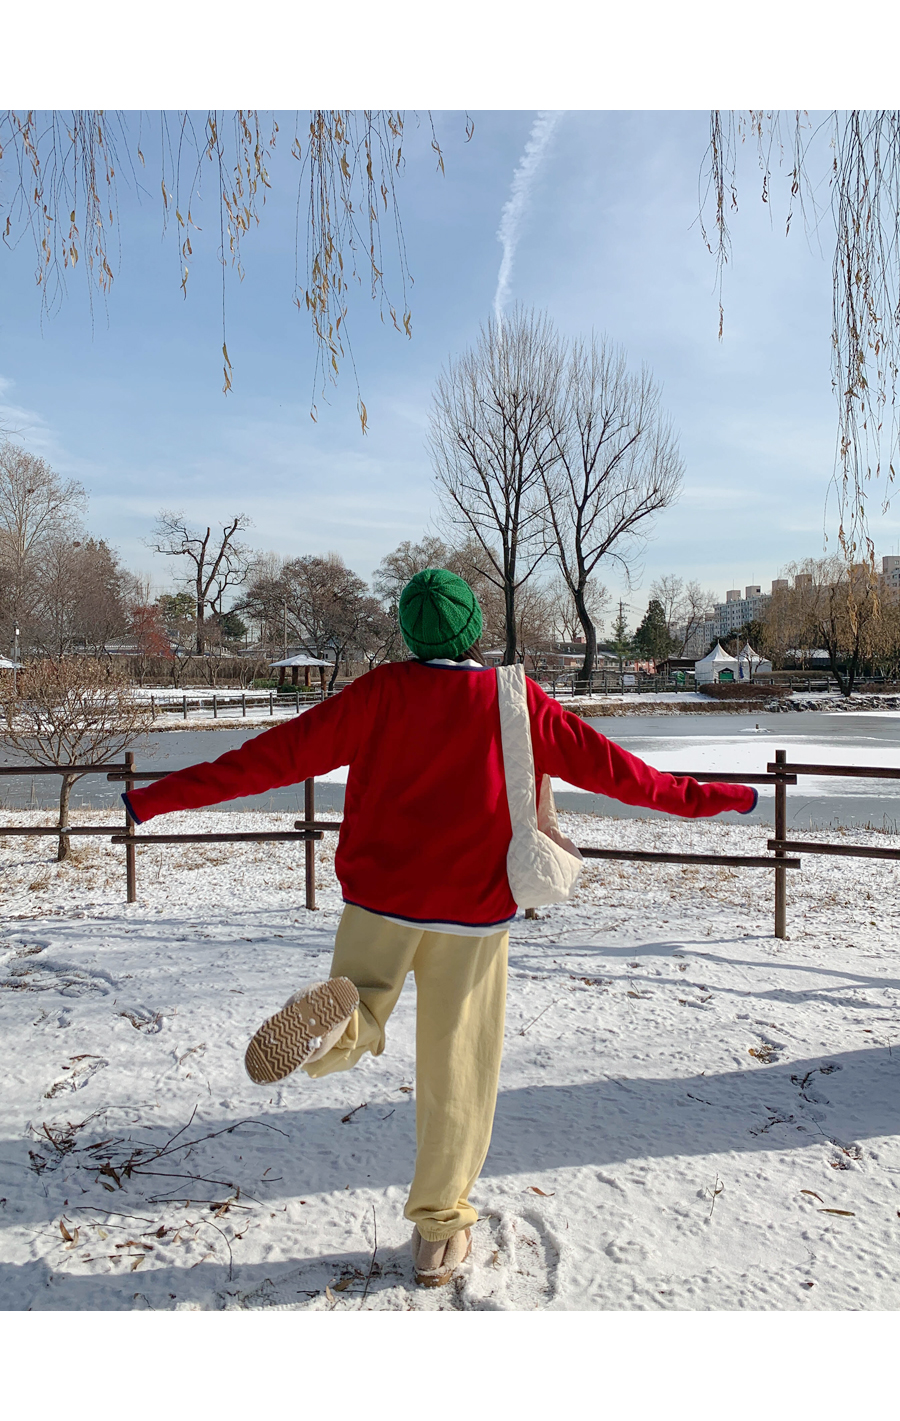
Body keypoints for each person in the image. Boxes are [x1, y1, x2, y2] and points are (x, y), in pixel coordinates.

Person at [121, 569, 758, 1287]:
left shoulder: (377, 693)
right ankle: (438, 1230)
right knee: (458, 1069)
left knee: (363, 1000)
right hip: (473, 913)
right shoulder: (516, 700)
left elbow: (267, 758)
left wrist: (155, 798)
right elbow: (630, 777)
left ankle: (338, 1025)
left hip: (379, 899)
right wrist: (723, 797)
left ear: (410, 632)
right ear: (472, 629)